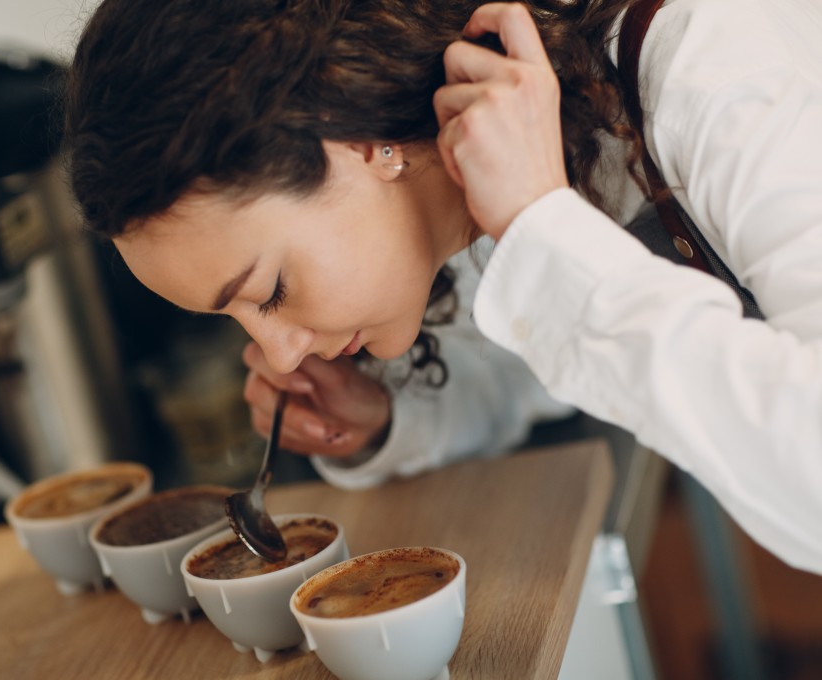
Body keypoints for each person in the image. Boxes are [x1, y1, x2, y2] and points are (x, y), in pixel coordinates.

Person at [63, 0, 822, 574]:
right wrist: (383, 420)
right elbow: (529, 369)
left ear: (357, 141)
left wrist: (540, 226)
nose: (282, 356)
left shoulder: (710, 62)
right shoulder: (461, 179)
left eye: (270, 290)